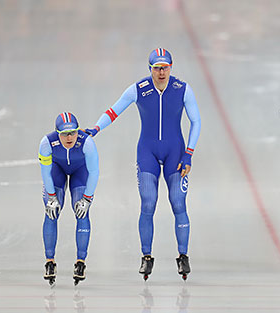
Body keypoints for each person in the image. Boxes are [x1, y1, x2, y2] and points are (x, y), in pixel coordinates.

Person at [86, 48, 201, 280]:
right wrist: (96, 128)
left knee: (178, 202)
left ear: (171, 67)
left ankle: (183, 256)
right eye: (157, 68)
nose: (161, 72)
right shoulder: (138, 89)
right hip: (147, 152)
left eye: (165, 68)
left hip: (175, 154)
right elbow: (113, 110)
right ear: (150, 69)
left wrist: (188, 154)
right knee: (148, 202)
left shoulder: (182, 89)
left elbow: (196, 121)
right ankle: (146, 256)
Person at [38, 112, 99, 285]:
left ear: (78, 131)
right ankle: (50, 262)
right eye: (64, 134)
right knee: (51, 212)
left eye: (73, 132)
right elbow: (46, 173)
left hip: (81, 172)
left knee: (82, 212)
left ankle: (81, 262)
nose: (69, 137)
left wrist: (87, 198)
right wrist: (51, 196)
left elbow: (94, 172)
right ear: (57, 133)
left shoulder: (87, 142)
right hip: (56, 171)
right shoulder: (46, 143)